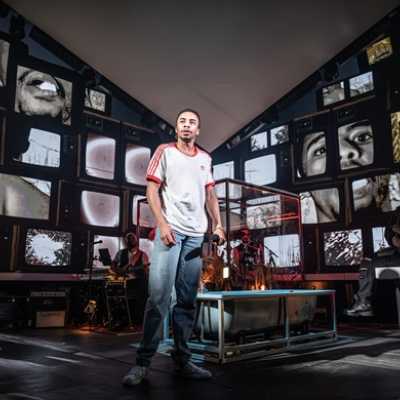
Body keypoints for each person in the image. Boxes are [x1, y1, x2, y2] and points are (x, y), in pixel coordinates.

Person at [122, 109, 225, 386]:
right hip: (171, 233)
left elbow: (211, 194)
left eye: (192, 122)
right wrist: (162, 224)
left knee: (187, 300)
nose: (187, 125)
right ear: (176, 128)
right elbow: (151, 190)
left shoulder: (205, 158)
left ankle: (182, 360)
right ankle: (142, 363)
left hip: (195, 236)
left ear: (198, 130)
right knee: (158, 298)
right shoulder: (164, 151)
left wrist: (218, 225)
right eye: (182, 121)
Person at [344, 209, 400, 317]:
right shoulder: (398, 212)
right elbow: (389, 232)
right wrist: (393, 238)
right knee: (366, 262)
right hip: (396, 252)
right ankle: (363, 302)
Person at [111, 230, 149, 325]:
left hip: (138, 283)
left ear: (136, 240)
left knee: (139, 299)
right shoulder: (120, 253)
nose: (130, 240)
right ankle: (121, 319)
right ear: (125, 241)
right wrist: (120, 271)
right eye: (128, 238)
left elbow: (146, 269)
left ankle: (137, 320)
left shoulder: (142, 254)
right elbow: (113, 266)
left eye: (132, 238)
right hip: (124, 282)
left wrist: (143, 270)